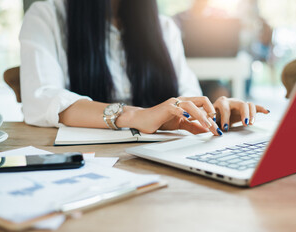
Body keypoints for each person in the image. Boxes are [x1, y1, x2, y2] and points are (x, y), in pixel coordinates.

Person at [20, 0, 269, 137]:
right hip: (84, 165)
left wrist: (213, 114)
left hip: (161, 164)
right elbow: (42, 100)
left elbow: (186, 98)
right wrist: (136, 116)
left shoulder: (164, 27)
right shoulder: (47, 16)